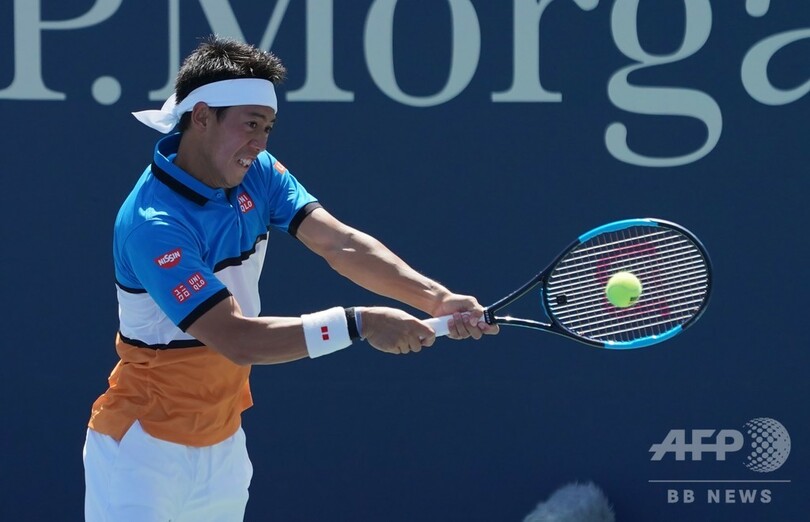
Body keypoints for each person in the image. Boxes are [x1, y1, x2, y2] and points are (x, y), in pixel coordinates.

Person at [83, 35, 497, 521]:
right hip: (141, 454)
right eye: (250, 125)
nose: (260, 143)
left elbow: (340, 244)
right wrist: (359, 323)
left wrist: (437, 298)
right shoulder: (154, 225)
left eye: (268, 128)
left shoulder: (258, 172)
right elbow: (236, 338)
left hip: (223, 447)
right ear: (202, 117)